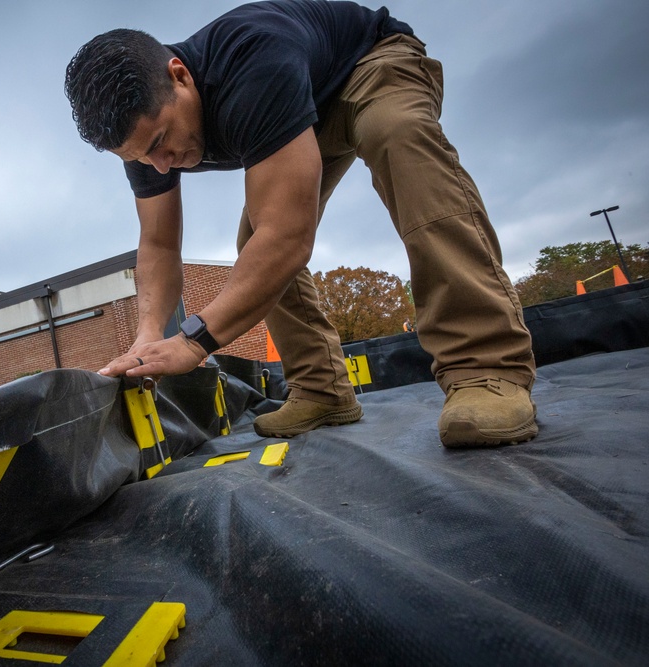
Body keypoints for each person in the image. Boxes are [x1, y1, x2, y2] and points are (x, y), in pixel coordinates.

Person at [64, 0, 537, 447]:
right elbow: (160, 246)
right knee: (253, 241)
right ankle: (321, 391)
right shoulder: (145, 140)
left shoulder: (250, 63)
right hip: (302, 108)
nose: (162, 166)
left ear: (180, 76)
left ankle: (486, 369)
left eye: (163, 141)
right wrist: (149, 332)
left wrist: (194, 340)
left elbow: (289, 238)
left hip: (369, 64)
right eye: (141, 156)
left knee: (396, 137)